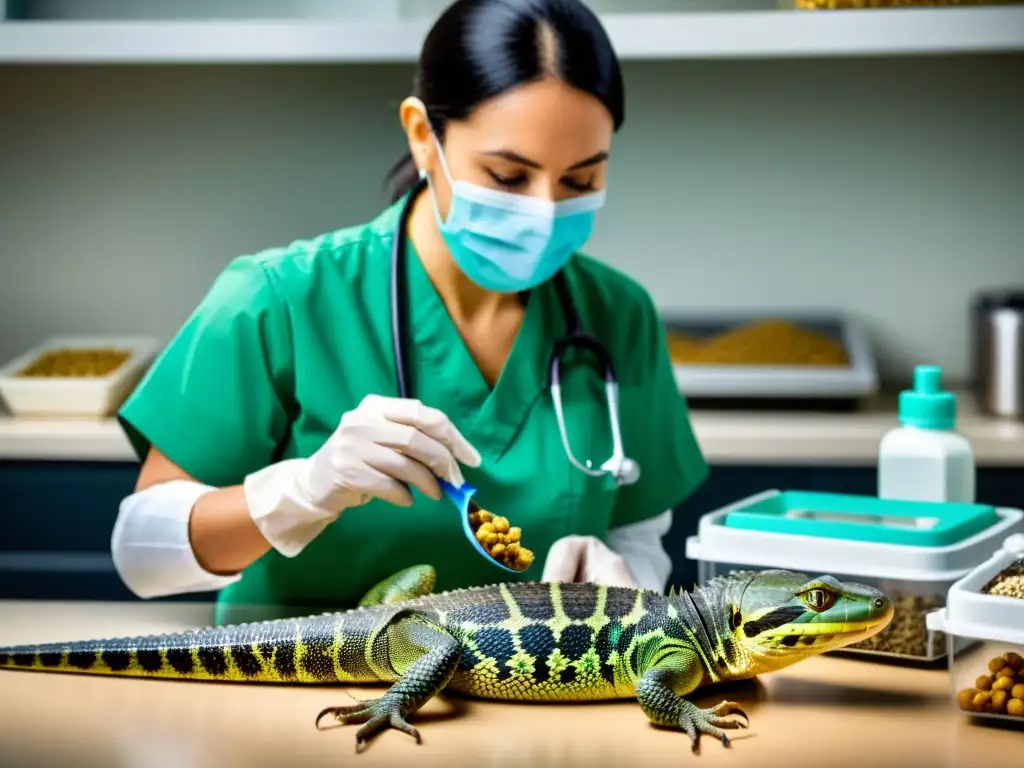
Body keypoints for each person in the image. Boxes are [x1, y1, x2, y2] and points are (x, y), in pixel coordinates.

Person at [110, 0, 709, 624]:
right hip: (299, 702)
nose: (543, 211)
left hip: (530, 695)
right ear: (425, 136)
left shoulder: (616, 314)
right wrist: (304, 490)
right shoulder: (278, 299)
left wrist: (623, 586)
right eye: (508, 176)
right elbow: (140, 557)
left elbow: (638, 535)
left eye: (580, 182)